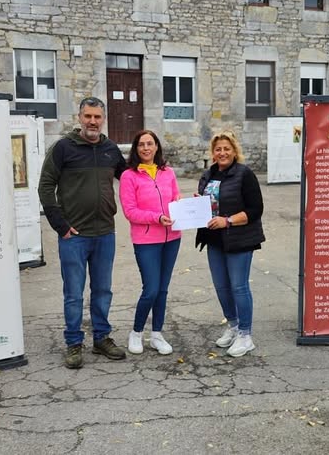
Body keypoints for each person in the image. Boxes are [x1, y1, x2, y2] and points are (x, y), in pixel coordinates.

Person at [38, 97, 128, 369]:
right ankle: (74, 343)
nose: (92, 121)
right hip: (74, 236)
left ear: (103, 119)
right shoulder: (63, 148)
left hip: (105, 233)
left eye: (97, 117)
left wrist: (159, 174)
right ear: (79, 118)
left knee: (102, 290)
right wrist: (60, 225)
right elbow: (45, 186)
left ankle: (101, 338)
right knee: (74, 293)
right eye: (88, 116)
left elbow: (132, 180)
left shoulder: (111, 149)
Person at [195, 131, 265, 357]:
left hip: (239, 239)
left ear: (234, 151)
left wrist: (228, 221)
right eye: (218, 149)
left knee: (239, 286)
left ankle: (246, 335)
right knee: (221, 286)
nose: (222, 153)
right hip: (214, 239)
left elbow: (256, 210)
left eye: (227, 148)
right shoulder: (208, 175)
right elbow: (208, 204)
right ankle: (234, 326)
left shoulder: (244, 174)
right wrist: (197, 205)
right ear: (212, 153)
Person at [118, 130, 182, 355]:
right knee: (151, 289)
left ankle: (156, 334)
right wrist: (156, 218)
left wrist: (185, 207)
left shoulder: (168, 172)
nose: (146, 148)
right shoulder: (129, 176)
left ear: (156, 147)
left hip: (172, 238)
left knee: (162, 290)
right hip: (146, 240)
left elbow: (175, 198)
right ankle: (136, 332)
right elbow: (130, 212)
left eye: (150, 144)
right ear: (136, 149)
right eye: (141, 145)